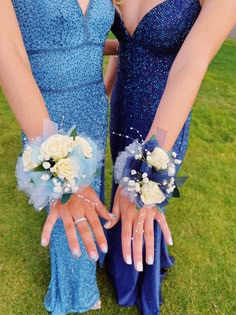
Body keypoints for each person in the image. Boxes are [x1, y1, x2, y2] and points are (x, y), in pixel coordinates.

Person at [104, 0, 236, 314]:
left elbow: (194, 61)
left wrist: (150, 161)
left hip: (164, 115)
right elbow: (127, 46)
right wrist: (104, 92)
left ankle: (139, 278)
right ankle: (117, 262)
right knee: (119, 185)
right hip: (123, 104)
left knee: (142, 197)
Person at [0, 0, 118, 314]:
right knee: (66, 196)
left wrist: (122, 48)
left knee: (91, 191)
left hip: (93, 104)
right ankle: (76, 294)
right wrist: (52, 149)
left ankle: (94, 259)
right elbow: (8, 50)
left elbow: (82, 40)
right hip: (48, 111)